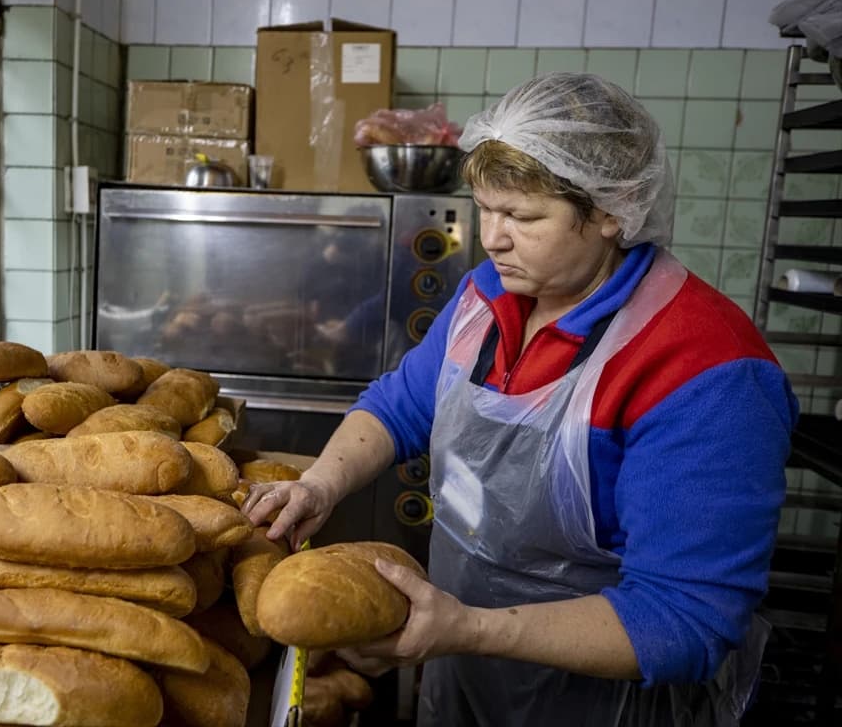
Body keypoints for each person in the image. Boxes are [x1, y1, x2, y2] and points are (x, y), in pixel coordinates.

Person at [242, 72, 797, 727]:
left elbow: (686, 620)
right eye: (486, 208)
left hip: (603, 707)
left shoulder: (706, 369)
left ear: (614, 210)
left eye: (524, 217)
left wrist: (468, 628)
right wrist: (319, 485)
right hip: (462, 676)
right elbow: (402, 404)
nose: (492, 238)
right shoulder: (488, 296)